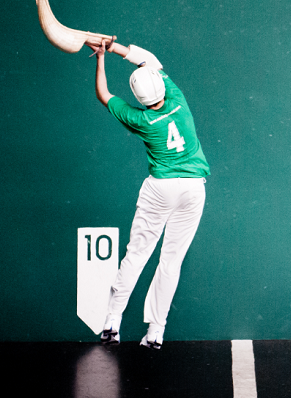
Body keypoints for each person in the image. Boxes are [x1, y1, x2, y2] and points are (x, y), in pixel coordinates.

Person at [85, 36, 210, 350]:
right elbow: (149, 59)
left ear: (139, 97)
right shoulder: (178, 99)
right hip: (194, 189)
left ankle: (112, 322)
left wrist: (100, 57)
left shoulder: (140, 119)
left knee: (138, 254)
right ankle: (156, 331)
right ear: (162, 87)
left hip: (161, 189)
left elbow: (104, 94)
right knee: (171, 262)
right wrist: (114, 48)